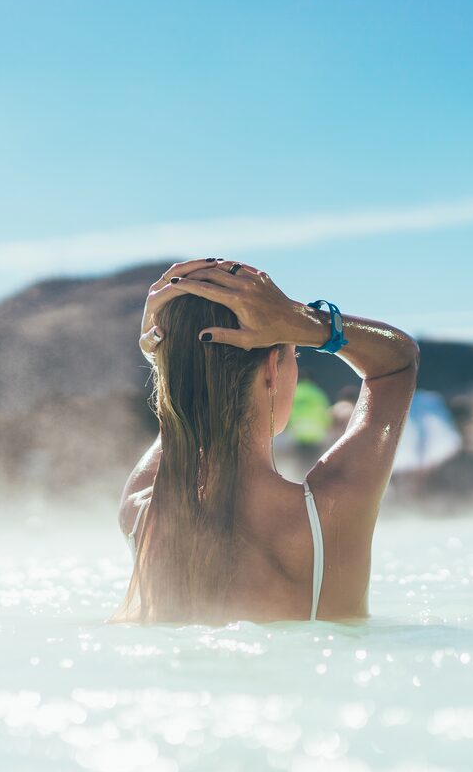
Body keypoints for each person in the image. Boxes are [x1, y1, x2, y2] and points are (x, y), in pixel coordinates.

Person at [112, 258, 419, 624]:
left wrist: (172, 355)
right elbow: (397, 363)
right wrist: (304, 322)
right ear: (273, 370)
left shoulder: (141, 514)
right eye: (295, 354)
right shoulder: (330, 513)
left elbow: (182, 413)